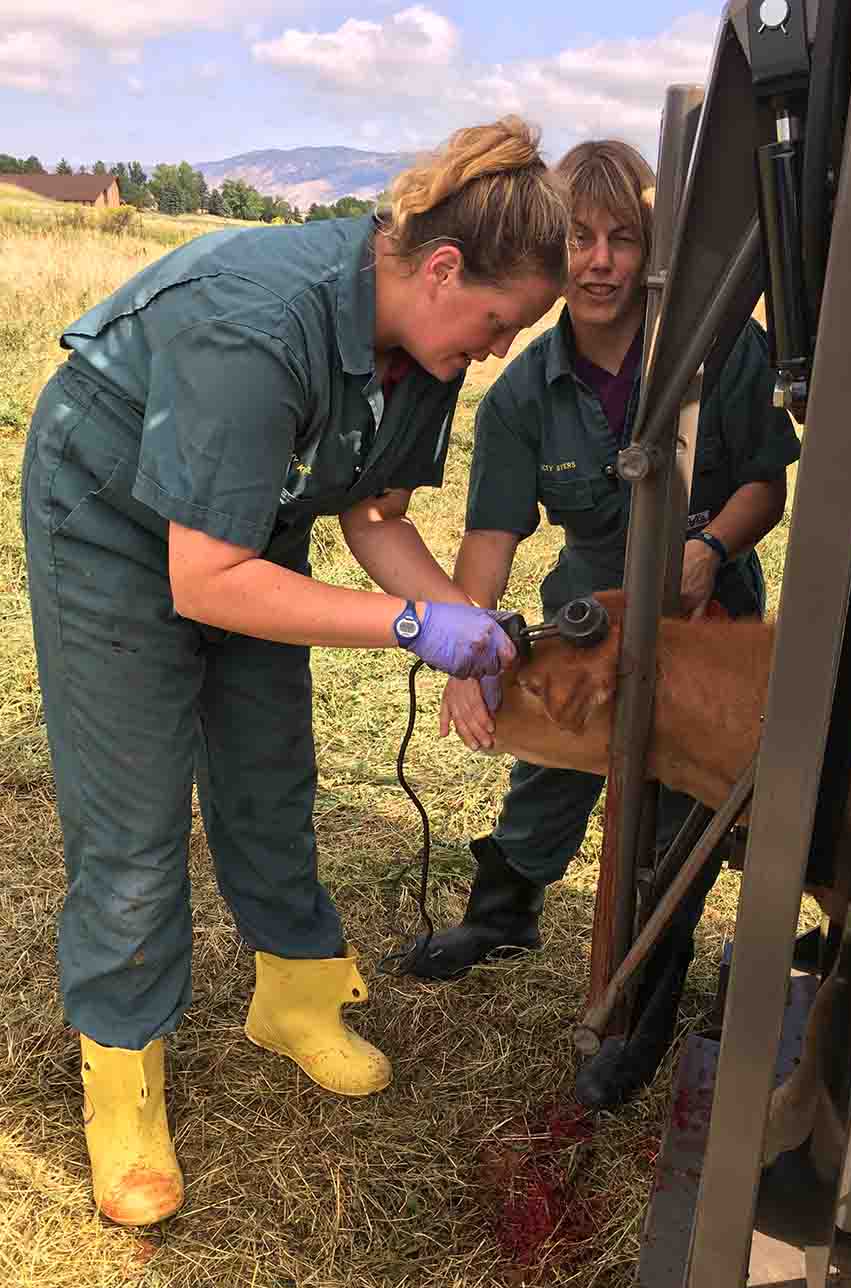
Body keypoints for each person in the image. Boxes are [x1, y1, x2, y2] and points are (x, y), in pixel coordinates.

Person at [20, 117, 568, 1227]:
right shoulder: (258, 323)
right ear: (446, 267)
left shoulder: (423, 339)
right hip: (113, 512)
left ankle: (295, 994)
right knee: (133, 807)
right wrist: (411, 627)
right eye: (500, 323)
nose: (500, 350)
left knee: (269, 763)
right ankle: (123, 1071)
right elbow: (207, 581)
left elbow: (370, 510)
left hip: (244, 511)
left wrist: (469, 628)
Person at [406, 139, 800, 1110]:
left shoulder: (721, 348)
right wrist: (464, 650)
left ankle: (645, 1011)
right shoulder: (523, 393)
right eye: (580, 239)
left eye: (624, 239)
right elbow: (492, 536)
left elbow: (765, 481)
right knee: (548, 770)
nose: (600, 262)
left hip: (708, 613)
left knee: (685, 818)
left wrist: (709, 547)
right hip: (589, 604)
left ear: (651, 249)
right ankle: (502, 915)